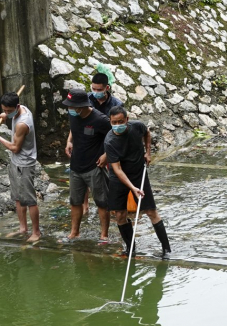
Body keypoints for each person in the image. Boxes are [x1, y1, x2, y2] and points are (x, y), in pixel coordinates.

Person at [104, 107, 171, 257]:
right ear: (110, 121)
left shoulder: (137, 127)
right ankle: (130, 248)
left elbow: (147, 133)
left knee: (151, 211)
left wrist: (148, 152)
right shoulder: (110, 141)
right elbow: (117, 169)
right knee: (120, 215)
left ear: (127, 120)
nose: (118, 125)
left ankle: (166, 249)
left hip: (138, 173)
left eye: (121, 121)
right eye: (114, 122)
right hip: (118, 177)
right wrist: (133, 188)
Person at [0, 91, 41, 243]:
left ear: (17, 107)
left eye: (9, 111)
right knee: (17, 198)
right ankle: (23, 228)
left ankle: (36, 232)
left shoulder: (23, 123)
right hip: (15, 161)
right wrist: (6, 116)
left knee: (29, 200)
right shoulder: (19, 108)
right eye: (4, 109)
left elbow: (15, 147)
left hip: (25, 163)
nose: (6, 113)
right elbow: (9, 114)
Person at [60, 89, 111, 244]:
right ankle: (74, 232)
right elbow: (73, 128)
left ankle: (104, 235)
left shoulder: (100, 119)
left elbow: (116, 137)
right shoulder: (73, 114)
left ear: (81, 106)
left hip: (94, 167)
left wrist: (106, 155)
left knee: (102, 202)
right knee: (75, 201)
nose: (69, 109)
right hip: (75, 167)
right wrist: (69, 141)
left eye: (72, 106)